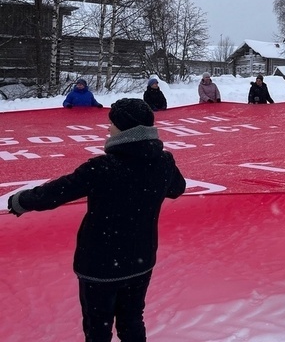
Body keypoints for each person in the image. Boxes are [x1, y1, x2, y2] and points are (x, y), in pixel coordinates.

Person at [7, 98, 186, 341]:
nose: (108, 128)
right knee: (132, 320)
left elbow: (56, 193)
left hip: (99, 264)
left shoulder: (103, 167)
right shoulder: (163, 161)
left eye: (111, 123)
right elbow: (177, 188)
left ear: (125, 129)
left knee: (98, 327)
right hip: (141, 260)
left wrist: (19, 201)